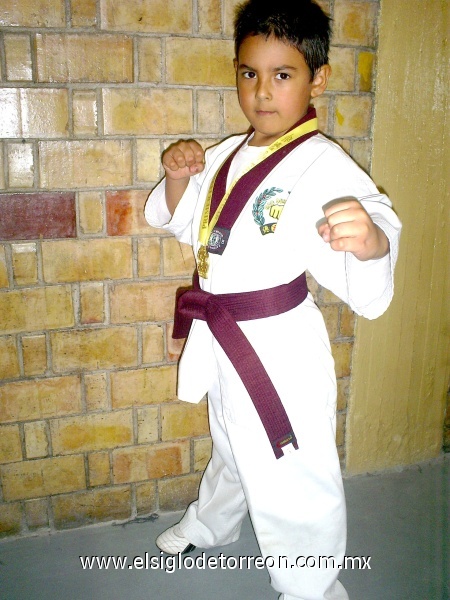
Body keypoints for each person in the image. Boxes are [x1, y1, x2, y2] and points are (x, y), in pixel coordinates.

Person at [145, 1, 402, 598]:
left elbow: (379, 216)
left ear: (318, 78)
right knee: (232, 441)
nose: (262, 92)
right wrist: (182, 176)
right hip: (225, 335)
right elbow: (193, 225)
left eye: (282, 75)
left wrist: (370, 240)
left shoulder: (321, 162)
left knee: (292, 464)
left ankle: (313, 585)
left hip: (278, 347)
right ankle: (214, 523)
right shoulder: (231, 153)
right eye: (249, 73)